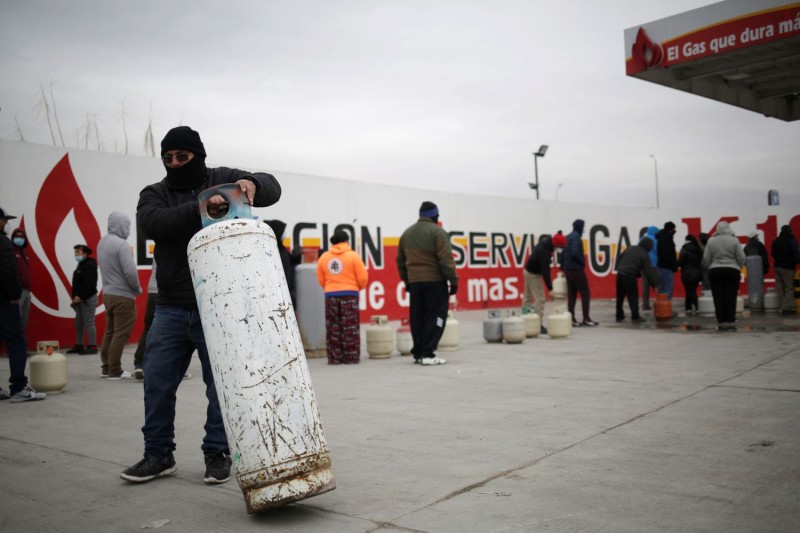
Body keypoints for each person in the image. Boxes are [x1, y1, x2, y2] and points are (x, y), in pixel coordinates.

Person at [123, 126, 281, 485]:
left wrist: (252, 183)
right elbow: (153, 223)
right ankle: (158, 454)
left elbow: (273, 186)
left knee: (221, 386)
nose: (175, 162)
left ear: (199, 155)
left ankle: (217, 453)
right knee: (157, 383)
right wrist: (203, 205)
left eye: (183, 156)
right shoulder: (155, 193)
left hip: (221, 306)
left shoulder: (224, 178)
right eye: (168, 158)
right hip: (172, 307)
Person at [396, 201, 458, 365]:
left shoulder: (406, 234)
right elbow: (446, 260)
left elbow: (400, 261)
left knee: (417, 318)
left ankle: (418, 353)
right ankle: (428, 354)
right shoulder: (438, 233)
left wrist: (407, 281)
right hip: (435, 283)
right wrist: (453, 280)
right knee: (437, 317)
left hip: (415, 283)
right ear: (435, 216)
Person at [0, 207, 46, 402]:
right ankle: (19, 387)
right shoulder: (4, 243)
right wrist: (14, 295)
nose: (6, 223)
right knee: (18, 340)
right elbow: (9, 272)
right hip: (5, 300)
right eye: (4, 220)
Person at [97, 211, 142, 380]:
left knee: (110, 331)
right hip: (123, 296)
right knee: (121, 333)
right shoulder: (121, 244)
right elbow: (130, 272)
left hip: (108, 293)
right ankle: (115, 370)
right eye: (127, 226)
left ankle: (106, 367)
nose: (128, 230)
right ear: (121, 225)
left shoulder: (102, 243)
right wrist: (136, 288)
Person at [316, 229, 369, 364]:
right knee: (350, 326)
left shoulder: (324, 257)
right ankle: (351, 356)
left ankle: (335, 357)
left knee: (333, 326)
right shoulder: (353, 256)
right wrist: (356, 288)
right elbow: (363, 278)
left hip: (330, 295)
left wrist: (330, 288)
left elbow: (321, 279)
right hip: (350, 295)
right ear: (346, 241)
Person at [702, 221, 745, 331]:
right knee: (731, 294)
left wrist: (710, 267)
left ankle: (720, 318)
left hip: (715, 270)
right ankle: (730, 318)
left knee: (718, 295)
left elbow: (706, 258)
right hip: (732, 270)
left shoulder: (711, 241)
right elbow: (741, 257)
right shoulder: (734, 240)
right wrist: (737, 267)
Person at [563, 219, 598, 327]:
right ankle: (586, 318)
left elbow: (562, 253)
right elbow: (574, 253)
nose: (584, 228)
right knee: (585, 292)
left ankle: (571, 319)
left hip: (568, 269)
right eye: (583, 226)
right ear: (580, 227)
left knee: (572, 294)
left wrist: (563, 266)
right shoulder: (576, 238)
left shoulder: (568, 237)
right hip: (576, 269)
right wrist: (582, 261)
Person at [615, 238, 658, 323]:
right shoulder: (644, 254)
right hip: (629, 276)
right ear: (648, 247)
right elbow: (648, 272)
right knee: (633, 297)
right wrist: (655, 285)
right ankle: (635, 317)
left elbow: (620, 258)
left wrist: (619, 268)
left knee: (620, 297)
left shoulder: (630, 248)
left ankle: (619, 315)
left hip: (620, 274)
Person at [67, 244, 99, 355]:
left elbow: (89, 284)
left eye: (78, 252)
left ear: (85, 254)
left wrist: (79, 296)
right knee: (79, 323)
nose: (76, 255)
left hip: (88, 299)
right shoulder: (81, 265)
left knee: (89, 323)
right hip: (80, 300)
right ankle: (79, 345)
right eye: (75, 252)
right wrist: (75, 298)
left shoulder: (89, 265)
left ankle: (92, 346)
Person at [522, 234, 554, 334]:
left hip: (528, 271)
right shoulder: (544, 251)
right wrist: (550, 288)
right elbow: (545, 271)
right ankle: (537, 324)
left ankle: (525, 320)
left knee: (527, 298)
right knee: (540, 299)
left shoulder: (543, 245)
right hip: (533, 274)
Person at [133, 259, 159, 380]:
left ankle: (139, 363)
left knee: (149, 328)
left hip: (153, 291)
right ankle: (176, 365)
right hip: (168, 293)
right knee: (177, 330)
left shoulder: (160, 244)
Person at [265, 219, 298, 307]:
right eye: (283, 231)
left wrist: (300, 255)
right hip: (279, 292)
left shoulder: (282, 248)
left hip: (289, 290)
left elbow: (291, 260)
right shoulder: (271, 249)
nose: (284, 234)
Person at [770, 225, 800, 315]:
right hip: (788, 268)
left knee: (780, 288)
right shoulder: (791, 240)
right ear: (790, 231)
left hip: (777, 267)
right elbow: (796, 252)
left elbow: (772, 253)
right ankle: (787, 307)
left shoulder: (775, 241)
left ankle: (781, 306)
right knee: (789, 287)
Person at [10, 227, 31, 329]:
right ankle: (14, 345)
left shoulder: (25, 253)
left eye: (21, 237)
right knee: (15, 321)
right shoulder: (10, 251)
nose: (19, 238)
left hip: (27, 291)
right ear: (13, 238)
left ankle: (20, 344)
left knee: (24, 321)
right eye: (17, 236)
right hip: (17, 291)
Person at [678, 234, 703, 315]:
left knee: (690, 291)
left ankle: (696, 306)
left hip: (687, 273)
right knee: (690, 290)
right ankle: (688, 307)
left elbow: (680, 262)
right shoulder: (698, 249)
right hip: (697, 273)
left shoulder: (684, 249)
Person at [655, 221, 678, 300]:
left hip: (662, 266)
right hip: (667, 267)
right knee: (667, 289)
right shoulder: (666, 239)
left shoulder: (661, 237)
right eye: (674, 229)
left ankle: (662, 308)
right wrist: (674, 265)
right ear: (670, 229)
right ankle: (666, 309)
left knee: (663, 289)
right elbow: (668, 254)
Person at [639, 226, 659, 310]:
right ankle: (660, 303)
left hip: (643, 265)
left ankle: (645, 304)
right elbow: (658, 252)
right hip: (653, 265)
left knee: (645, 286)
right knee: (657, 285)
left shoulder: (642, 239)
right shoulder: (656, 241)